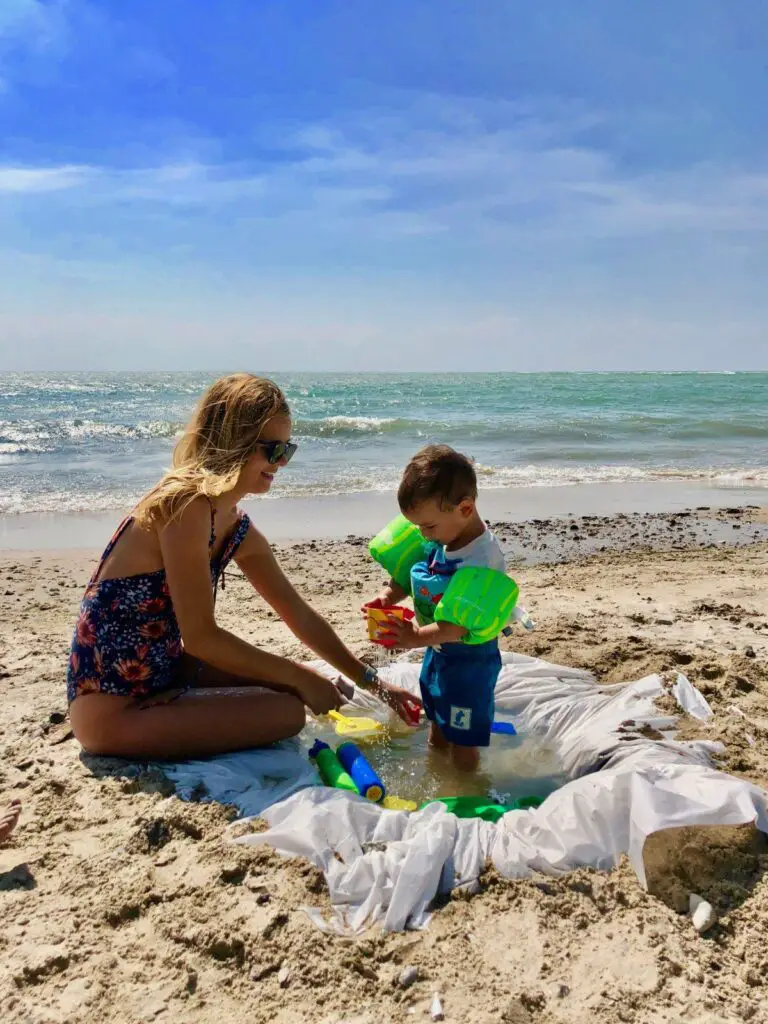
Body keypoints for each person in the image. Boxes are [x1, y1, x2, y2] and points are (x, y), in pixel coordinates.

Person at [67, 373, 417, 760]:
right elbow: (201, 638)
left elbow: (298, 614)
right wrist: (298, 677)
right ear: (234, 443)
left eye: (288, 451)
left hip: (164, 673)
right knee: (286, 712)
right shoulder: (185, 506)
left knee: (305, 683)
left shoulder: (234, 525)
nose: (281, 464)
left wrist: (374, 683)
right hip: (112, 709)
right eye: (272, 450)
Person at [363, 445, 505, 772]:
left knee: (464, 737)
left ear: (465, 508)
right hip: (437, 652)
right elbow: (415, 573)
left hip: (471, 663)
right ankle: (436, 772)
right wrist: (387, 597)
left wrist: (413, 637)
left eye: (428, 527)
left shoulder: (482, 560)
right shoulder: (443, 535)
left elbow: (458, 625)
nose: (423, 534)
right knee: (438, 719)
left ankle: (466, 785)